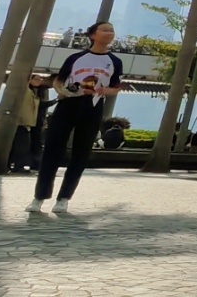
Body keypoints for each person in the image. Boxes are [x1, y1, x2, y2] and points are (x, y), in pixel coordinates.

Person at [27, 22, 125, 214]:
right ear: (93, 35)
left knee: (81, 153)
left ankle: (64, 198)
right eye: (105, 29)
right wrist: (64, 91)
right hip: (68, 105)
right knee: (53, 150)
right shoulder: (76, 58)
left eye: (112, 30)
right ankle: (39, 197)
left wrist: (105, 90)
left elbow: (115, 86)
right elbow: (58, 80)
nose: (110, 33)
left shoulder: (115, 61)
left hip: (93, 106)